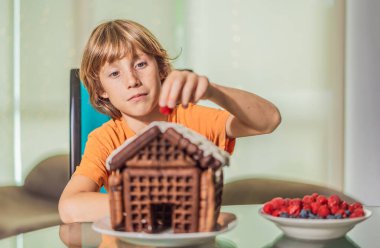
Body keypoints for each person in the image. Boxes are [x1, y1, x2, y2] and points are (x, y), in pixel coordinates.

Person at [58, 19, 281, 223]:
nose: (132, 81)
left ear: (161, 68)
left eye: (140, 64)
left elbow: (269, 121)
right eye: (115, 74)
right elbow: (70, 207)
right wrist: (161, 210)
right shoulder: (105, 139)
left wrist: (213, 91)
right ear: (100, 90)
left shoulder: (191, 118)